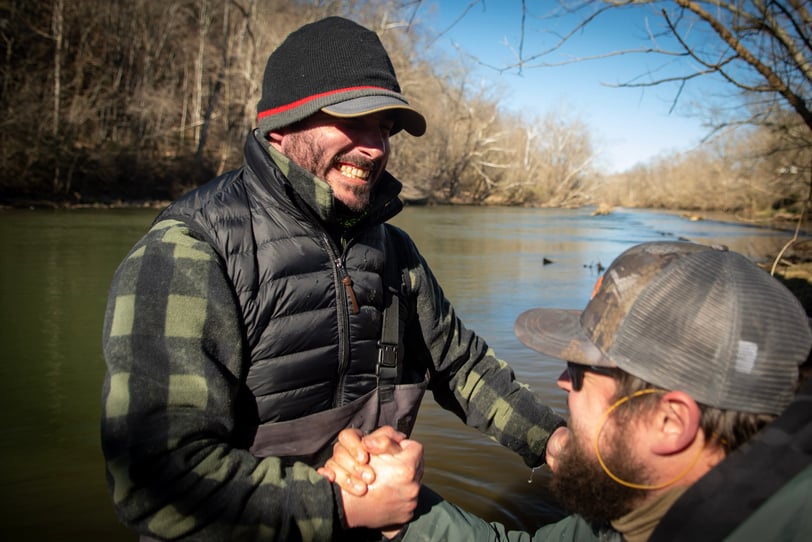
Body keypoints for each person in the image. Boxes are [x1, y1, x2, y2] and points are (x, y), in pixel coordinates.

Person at [100, 16, 564, 541]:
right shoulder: (191, 252)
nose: (376, 147)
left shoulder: (395, 254)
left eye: (385, 128)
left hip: (368, 512)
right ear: (282, 126)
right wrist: (337, 504)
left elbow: (461, 365)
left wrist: (554, 443)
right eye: (356, 121)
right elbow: (157, 479)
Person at [324, 240, 812, 541]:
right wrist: (402, 517)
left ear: (670, 423)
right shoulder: (640, 500)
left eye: (579, 375)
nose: (561, 381)